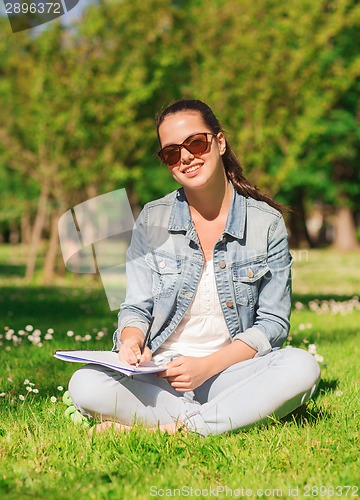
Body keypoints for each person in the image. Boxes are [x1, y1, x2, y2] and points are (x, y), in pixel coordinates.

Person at [68, 99, 320, 436]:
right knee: (85, 382)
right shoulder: (152, 218)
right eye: (171, 152)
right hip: (158, 375)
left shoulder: (266, 224)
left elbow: (273, 323)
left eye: (195, 143)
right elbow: (136, 306)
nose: (185, 157)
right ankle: (223, 417)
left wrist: (205, 368)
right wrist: (132, 341)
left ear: (219, 142)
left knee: (301, 366)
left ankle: (168, 428)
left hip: (229, 372)